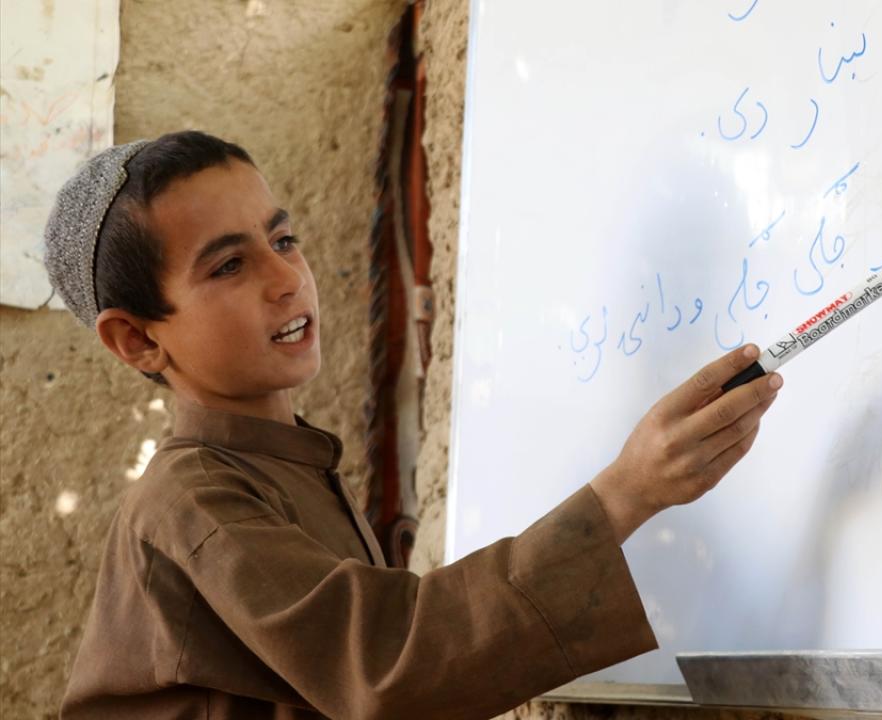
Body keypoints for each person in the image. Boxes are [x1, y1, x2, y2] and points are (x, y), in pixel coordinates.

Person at [44, 130, 784, 719]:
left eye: (283, 240)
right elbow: (388, 667)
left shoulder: (284, 465)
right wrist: (627, 492)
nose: (287, 278)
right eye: (229, 266)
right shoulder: (193, 500)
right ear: (137, 339)